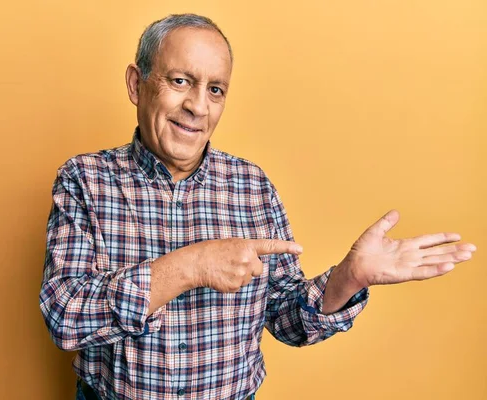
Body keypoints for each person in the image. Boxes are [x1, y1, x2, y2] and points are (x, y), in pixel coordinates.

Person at [39, 14, 476, 400]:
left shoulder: (252, 186)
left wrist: (349, 278)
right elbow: (64, 316)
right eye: (180, 81)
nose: (197, 106)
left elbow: (288, 319)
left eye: (216, 90)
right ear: (137, 84)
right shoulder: (85, 179)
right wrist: (190, 267)